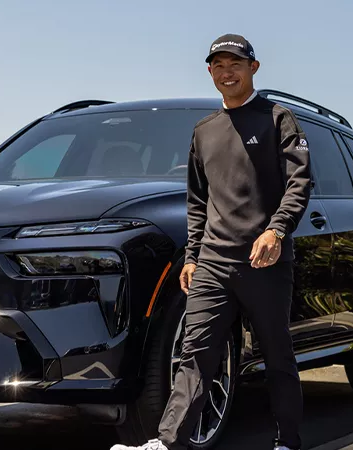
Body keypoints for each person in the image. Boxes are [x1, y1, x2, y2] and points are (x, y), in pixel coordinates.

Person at [112, 33, 313, 450]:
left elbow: (300, 182)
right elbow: (198, 201)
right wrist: (191, 256)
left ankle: (288, 440)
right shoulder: (204, 131)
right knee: (196, 355)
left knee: (277, 355)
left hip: (265, 263)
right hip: (213, 264)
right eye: (219, 65)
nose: (227, 71)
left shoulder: (277, 119)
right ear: (210, 72)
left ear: (253, 68)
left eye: (235, 64)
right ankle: (168, 443)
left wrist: (276, 230)